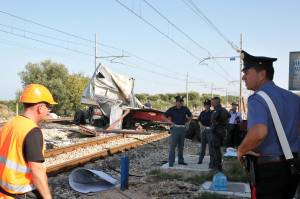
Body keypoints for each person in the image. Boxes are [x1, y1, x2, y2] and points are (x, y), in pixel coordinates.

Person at [237, 50, 300, 199]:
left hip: (269, 170)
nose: (243, 77)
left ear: (261, 74)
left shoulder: (257, 98)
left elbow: (259, 132)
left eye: (247, 72)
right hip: (293, 168)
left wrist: (241, 149)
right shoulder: (293, 98)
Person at [0, 84, 57, 199]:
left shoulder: (10, 124)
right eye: (48, 107)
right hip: (21, 194)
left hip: (4, 193)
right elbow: (37, 171)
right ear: (40, 108)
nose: (48, 111)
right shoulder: (32, 131)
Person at [165, 96, 192, 167]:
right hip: (175, 128)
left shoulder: (185, 108)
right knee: (173, 146)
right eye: (178, 102)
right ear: (176, 102)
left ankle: (181, 160)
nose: (180, 103)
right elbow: (164, 116)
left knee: (181, 146)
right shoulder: (172, 109)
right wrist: (170, 122)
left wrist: (188, 122)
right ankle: (171, 162)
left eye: (181, 102)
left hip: (183, 128)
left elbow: (190, 116)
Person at [210, 96, 230, 171]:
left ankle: (217, 167)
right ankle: (218, 166)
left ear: (215, 103)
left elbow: (213, 120)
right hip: (223, 132)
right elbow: (229, 116)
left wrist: (216, 124)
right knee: (218, 149)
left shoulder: (216, 111)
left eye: (212, 102)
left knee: (215, 150)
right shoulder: (224, 109)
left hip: (216, 132)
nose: (211, 104)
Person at [198, 99, 213, 165]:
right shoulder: (202, 113)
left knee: (210, 146)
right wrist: (201, 126)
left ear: (210, 106)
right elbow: (199, 120)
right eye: (205, 105)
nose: (206, 106)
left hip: (210, 130)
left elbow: (215, 121)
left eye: (208, 105)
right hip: (203, 130)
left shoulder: (213, 112)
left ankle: (211, 160)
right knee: (203, 146)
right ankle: (200, 160)